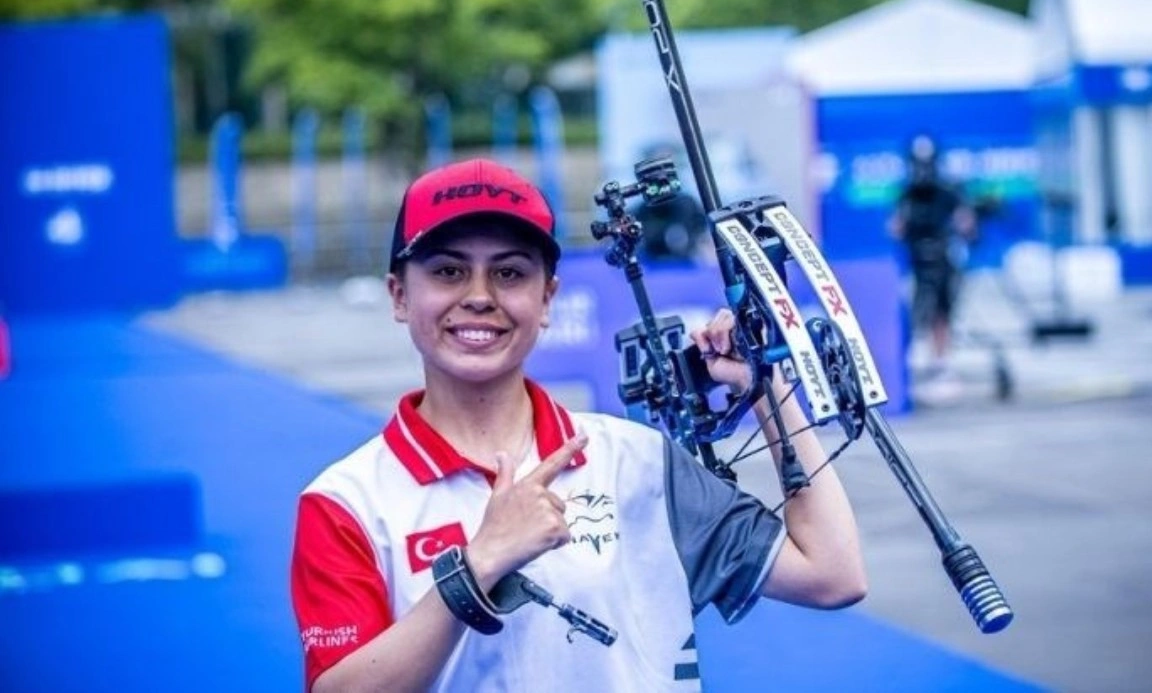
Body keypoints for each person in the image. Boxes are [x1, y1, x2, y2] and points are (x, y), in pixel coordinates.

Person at [291, 158, 867, 692]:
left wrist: (765, 386)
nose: (479, 296)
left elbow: (832, 573)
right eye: (448, 271)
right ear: (399, 295)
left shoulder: (640, 461)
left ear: (547, 299)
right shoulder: (347, 501)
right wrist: (479, 564)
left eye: (509, 273)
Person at [889, 135, 975, 374]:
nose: (923, 171)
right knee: (917, 305)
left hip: (943, 257)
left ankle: (941, 358)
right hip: (916, 259)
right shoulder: (907, 194)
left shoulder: (947, 192)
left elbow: (965, 222)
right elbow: (896, 226)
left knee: (942, 308)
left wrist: (963, 226)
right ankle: (912, 354)